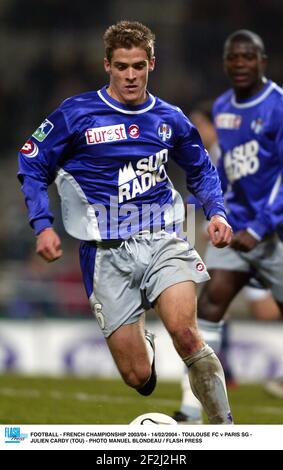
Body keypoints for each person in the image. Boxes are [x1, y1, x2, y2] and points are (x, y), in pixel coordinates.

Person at [18, 20, 234, 424]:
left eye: (138, 65)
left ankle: (226, 428)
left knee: (187, 334)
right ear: (107, 66)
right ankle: (142, 347)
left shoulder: (169, 118)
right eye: (122, 66)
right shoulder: (76, 115)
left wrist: (217, 211)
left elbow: (201, 168)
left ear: (152, 63)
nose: (131, 75)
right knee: (138, 376)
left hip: (163, 237)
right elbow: (31, 162)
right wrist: (42, 224)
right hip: (105, 253)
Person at [173, 29, 283, 424]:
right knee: (209, 307)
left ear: (262, 62)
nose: (240, 64)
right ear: (225, 63)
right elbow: (221, 166)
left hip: (273, 232)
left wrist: (262, 224)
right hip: (234, 228)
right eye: (233, 58)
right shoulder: (221, 107)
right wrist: (205, 206)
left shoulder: (278, 105)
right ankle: (191, 409)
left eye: (247, 57)